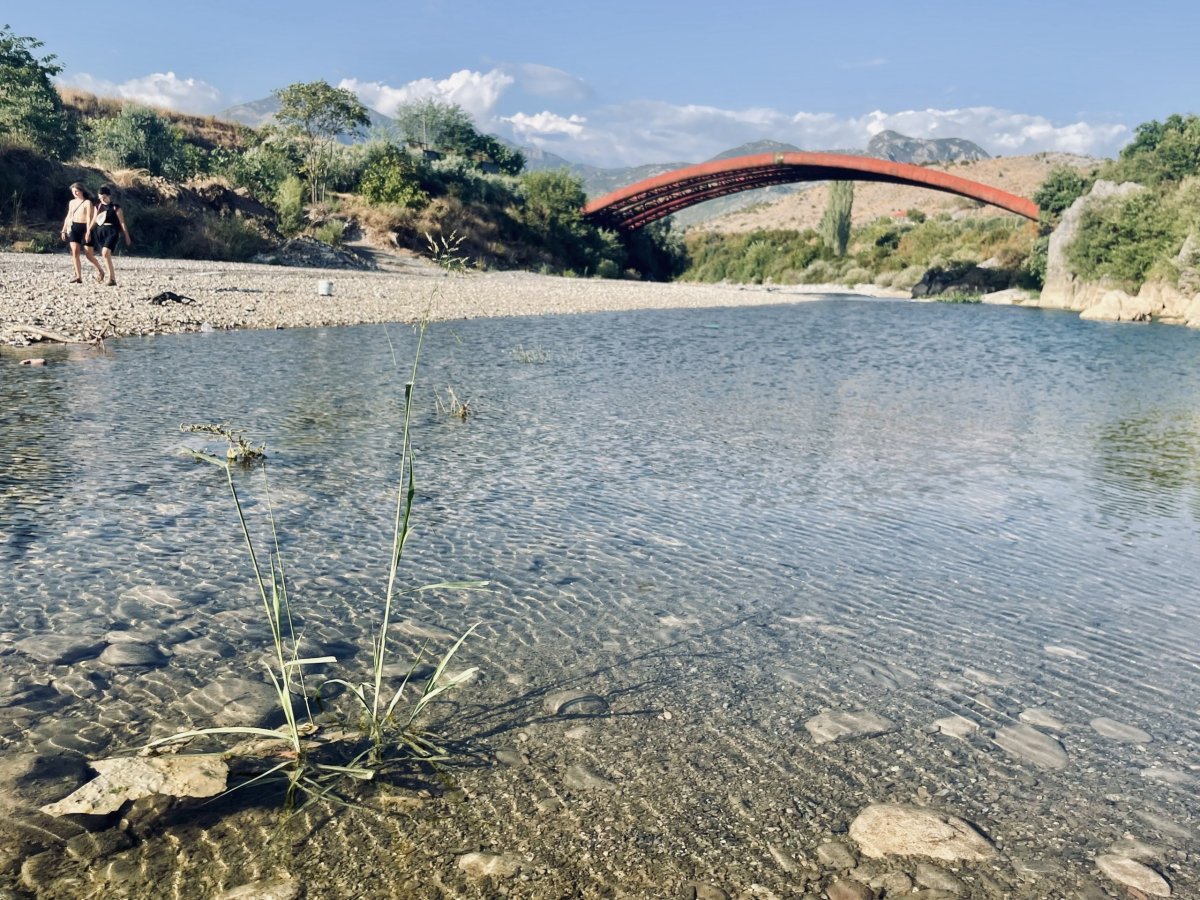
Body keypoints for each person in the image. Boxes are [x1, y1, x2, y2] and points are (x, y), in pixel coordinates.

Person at [87, 184, 133, 286]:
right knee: (105, 254)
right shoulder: (98, 207)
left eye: (104, 197)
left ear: (109, 196)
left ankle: (112, 278)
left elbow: (122, 223)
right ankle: (111, 277)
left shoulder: (116, 208)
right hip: (100, 231)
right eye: (100, 197)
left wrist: (127, 236)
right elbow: (94, 220)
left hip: (112, 231)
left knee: (105, 253)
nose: (102, 199)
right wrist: (88, 231)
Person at [59, 183, 104, 284]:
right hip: (75, 227)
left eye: (76, 191)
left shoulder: (87, 202)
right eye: (73, 192)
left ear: (82, 191)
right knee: (75, 252)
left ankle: (100, 270)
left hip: (86, 228)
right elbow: (68, 216)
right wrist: (64, 229)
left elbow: (89, 217)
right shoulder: (72, 202)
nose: (75, 193)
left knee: (89, 254)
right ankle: (78, 276)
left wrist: (88, 231)